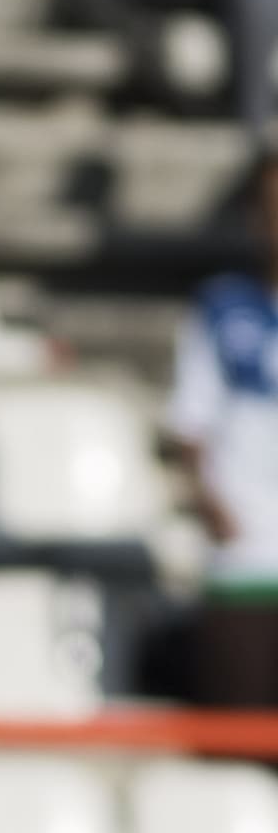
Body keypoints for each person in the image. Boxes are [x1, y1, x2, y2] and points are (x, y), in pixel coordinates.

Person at [166, 147, 278, 707]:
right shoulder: (221, 309)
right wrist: (214, 507)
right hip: (246, 566)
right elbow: (189, 427)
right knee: (240, 752)